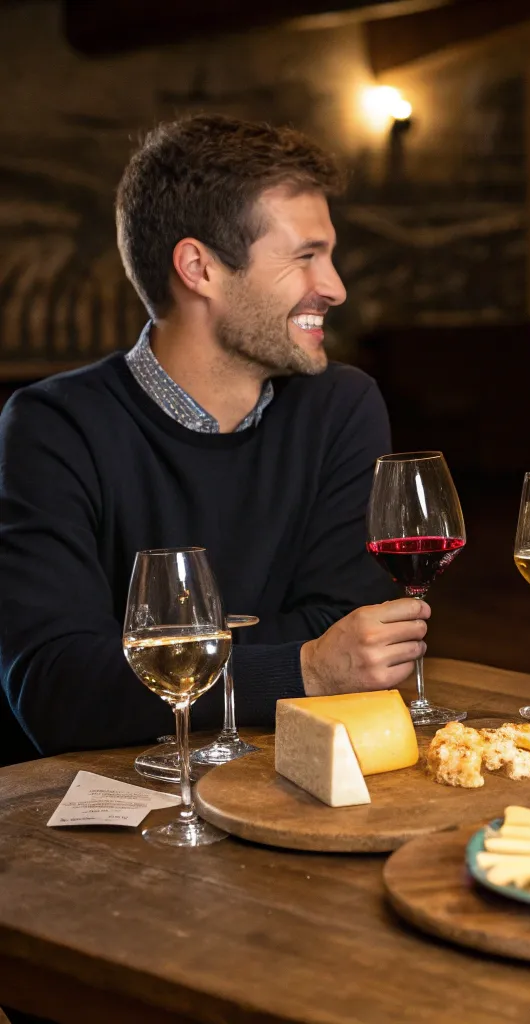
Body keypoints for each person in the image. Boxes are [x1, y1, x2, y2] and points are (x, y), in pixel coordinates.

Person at [0, 114, 431, 762]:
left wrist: (151, 666)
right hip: (92, 828)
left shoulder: (341, 407)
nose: (336, 287)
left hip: (288, 787)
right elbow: (58, 691)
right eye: (306, 256)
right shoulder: (52, 428)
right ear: (199, 268)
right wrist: (305, 667)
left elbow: (355, 638)